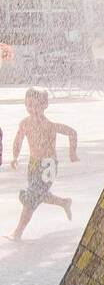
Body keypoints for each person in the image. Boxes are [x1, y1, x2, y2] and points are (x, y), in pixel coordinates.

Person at [6, 87, 78, 241]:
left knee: (32, 197)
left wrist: (72, 153)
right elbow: (18, 140)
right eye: (29, 105)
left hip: (49, 166)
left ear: (45, 105)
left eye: (36, 105)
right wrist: (15, 157)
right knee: (38, 195)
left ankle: (18, 232)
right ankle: (64, 202)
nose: (32, 109)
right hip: (33, 165)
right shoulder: (24, 124)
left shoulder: (50, 125)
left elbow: (72, 132)